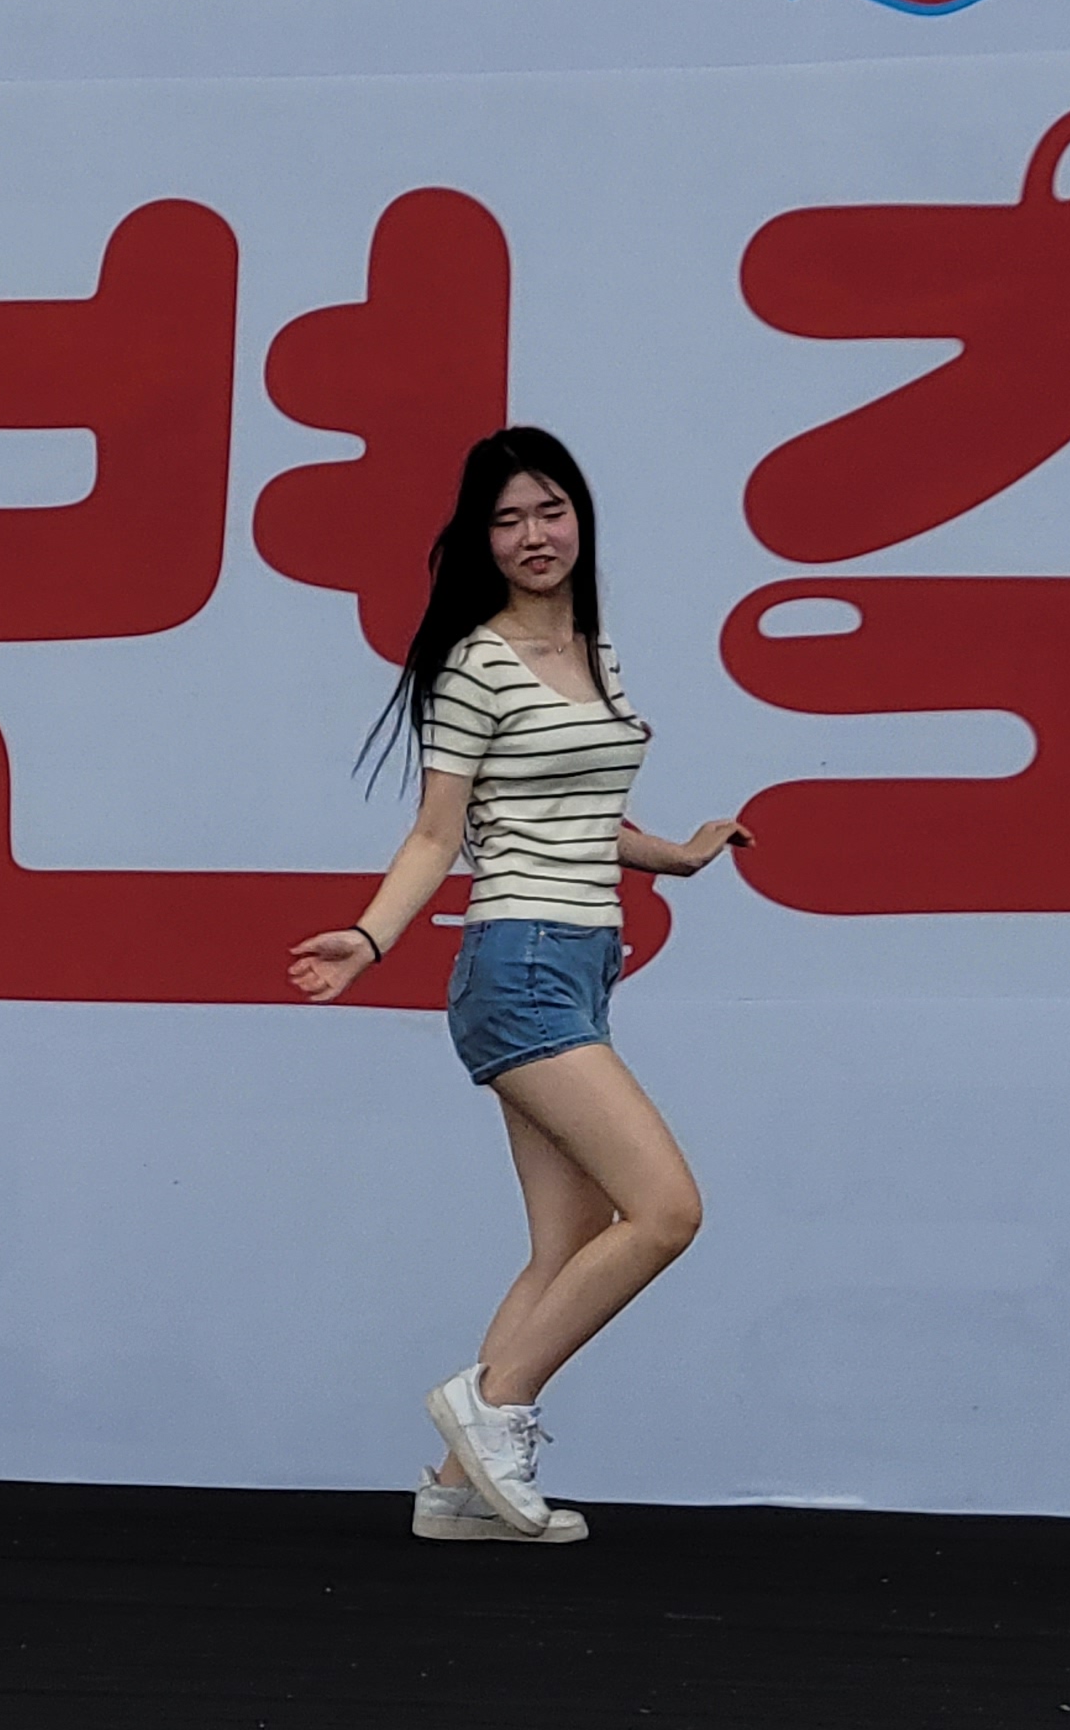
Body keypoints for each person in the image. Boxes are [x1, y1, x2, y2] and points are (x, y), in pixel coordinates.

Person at [287, 426, 751, 1546]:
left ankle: (458, 1489)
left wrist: (677, 857)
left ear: (580, 516)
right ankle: (492, 1405)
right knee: (667, 1211)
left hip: (584, 963)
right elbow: (438, 831)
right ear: (481, 541)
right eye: (507, 520)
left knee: (568, 1238)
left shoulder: (595, 650)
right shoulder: (474, 665)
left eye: (550, 510)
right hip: (521, 963)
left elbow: (577, 814)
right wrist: (370, 938)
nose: (534, 536)